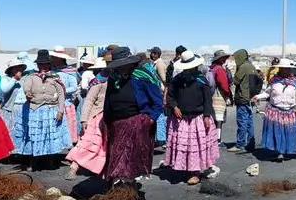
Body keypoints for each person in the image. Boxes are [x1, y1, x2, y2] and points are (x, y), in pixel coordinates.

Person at [103, 46, 164, 185]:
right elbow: (108, 97)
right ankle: (119, 186)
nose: (120, 68)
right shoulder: (114, 76)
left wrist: (150, 119)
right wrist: (106, 118)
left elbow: (157, 101)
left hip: (137, 122)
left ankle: (128, 187)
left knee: (130, 157)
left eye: (122, 65)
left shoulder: (143, 75)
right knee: (117, 156)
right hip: (116, 122)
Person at [164, 52, 220, 185]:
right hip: (181, 118)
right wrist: (175, 106)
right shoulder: (177, 80)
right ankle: (185, 168)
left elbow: (207, 100)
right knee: (185, 146)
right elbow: (170, 96)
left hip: (198, 118)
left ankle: (195, 172)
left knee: (195, 146)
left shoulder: (201, 80)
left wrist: (207, 116)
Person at [19, 49, 71, 170]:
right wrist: (27, 93)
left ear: (49, 64)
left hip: (51, 110)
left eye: (45, 64)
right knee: (33, 136)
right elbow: (26, 87)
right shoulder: (31, 77)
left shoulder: (55, 77)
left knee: (50, 136)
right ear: (37, 65)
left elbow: (61, 94)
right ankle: (33, 163)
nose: (42, 66)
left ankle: (51, 162)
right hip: (34, 110)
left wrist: (60, 110)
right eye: (40, 64)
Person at [254, 58, 296, 162]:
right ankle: (279, 151)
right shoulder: (274, 81)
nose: (285, 71)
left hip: (290, 111)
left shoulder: (294, 82)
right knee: (278, 132)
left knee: (288, 132)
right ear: (280, 69)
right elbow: (267, 93)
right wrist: (258, 96)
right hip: (275, 111)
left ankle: (286, 150)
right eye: (283, 69)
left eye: (287, 69)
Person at [66, 57, 110, 178]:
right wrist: (84, 119)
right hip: (96, 116)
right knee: (88, 142)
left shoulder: (112, 80)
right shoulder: (98, 82)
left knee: (103, 145)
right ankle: (74, 167)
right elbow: (89, 100)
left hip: (108, 116)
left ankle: (99, 169)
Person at [228, 49, 257, 154]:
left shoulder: (243, 67)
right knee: (249, 122)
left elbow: (235, 81)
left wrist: (236, 70)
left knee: (242, 122)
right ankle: (250, 143)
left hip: (242, 98)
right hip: (250, 98)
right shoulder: (251, 66)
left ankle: (240, 144)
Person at [50, 47, 80, 144]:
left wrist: (62, 91)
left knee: (67, 124)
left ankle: (67, 144)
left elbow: (74, 87)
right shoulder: (52, 71)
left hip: (66, 102)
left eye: (54, 57)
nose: (52, 59)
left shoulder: (70, 71)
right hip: (53, 103)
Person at [0, 59, 29, 156]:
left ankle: (22, 152)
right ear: (11, 69)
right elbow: (4, 89)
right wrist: (14, 79)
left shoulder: (25, 79)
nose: (18, 70)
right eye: (15, 68)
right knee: (11, 131)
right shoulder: (6, 79)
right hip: (11, 108)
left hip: (23, 107)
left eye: (19, 68)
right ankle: (10, 153)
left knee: (23, 130)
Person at [210, 50, 233, 143]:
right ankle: (217, 139)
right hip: (218, 96)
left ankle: (211, 138)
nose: (225, 59)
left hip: (211, 95)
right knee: (219, 119)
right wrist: (229, 95)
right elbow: (224, 84)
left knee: (213, 118)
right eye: (223, 58)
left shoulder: (211, 68)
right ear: (219, 59)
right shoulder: (219, 69)